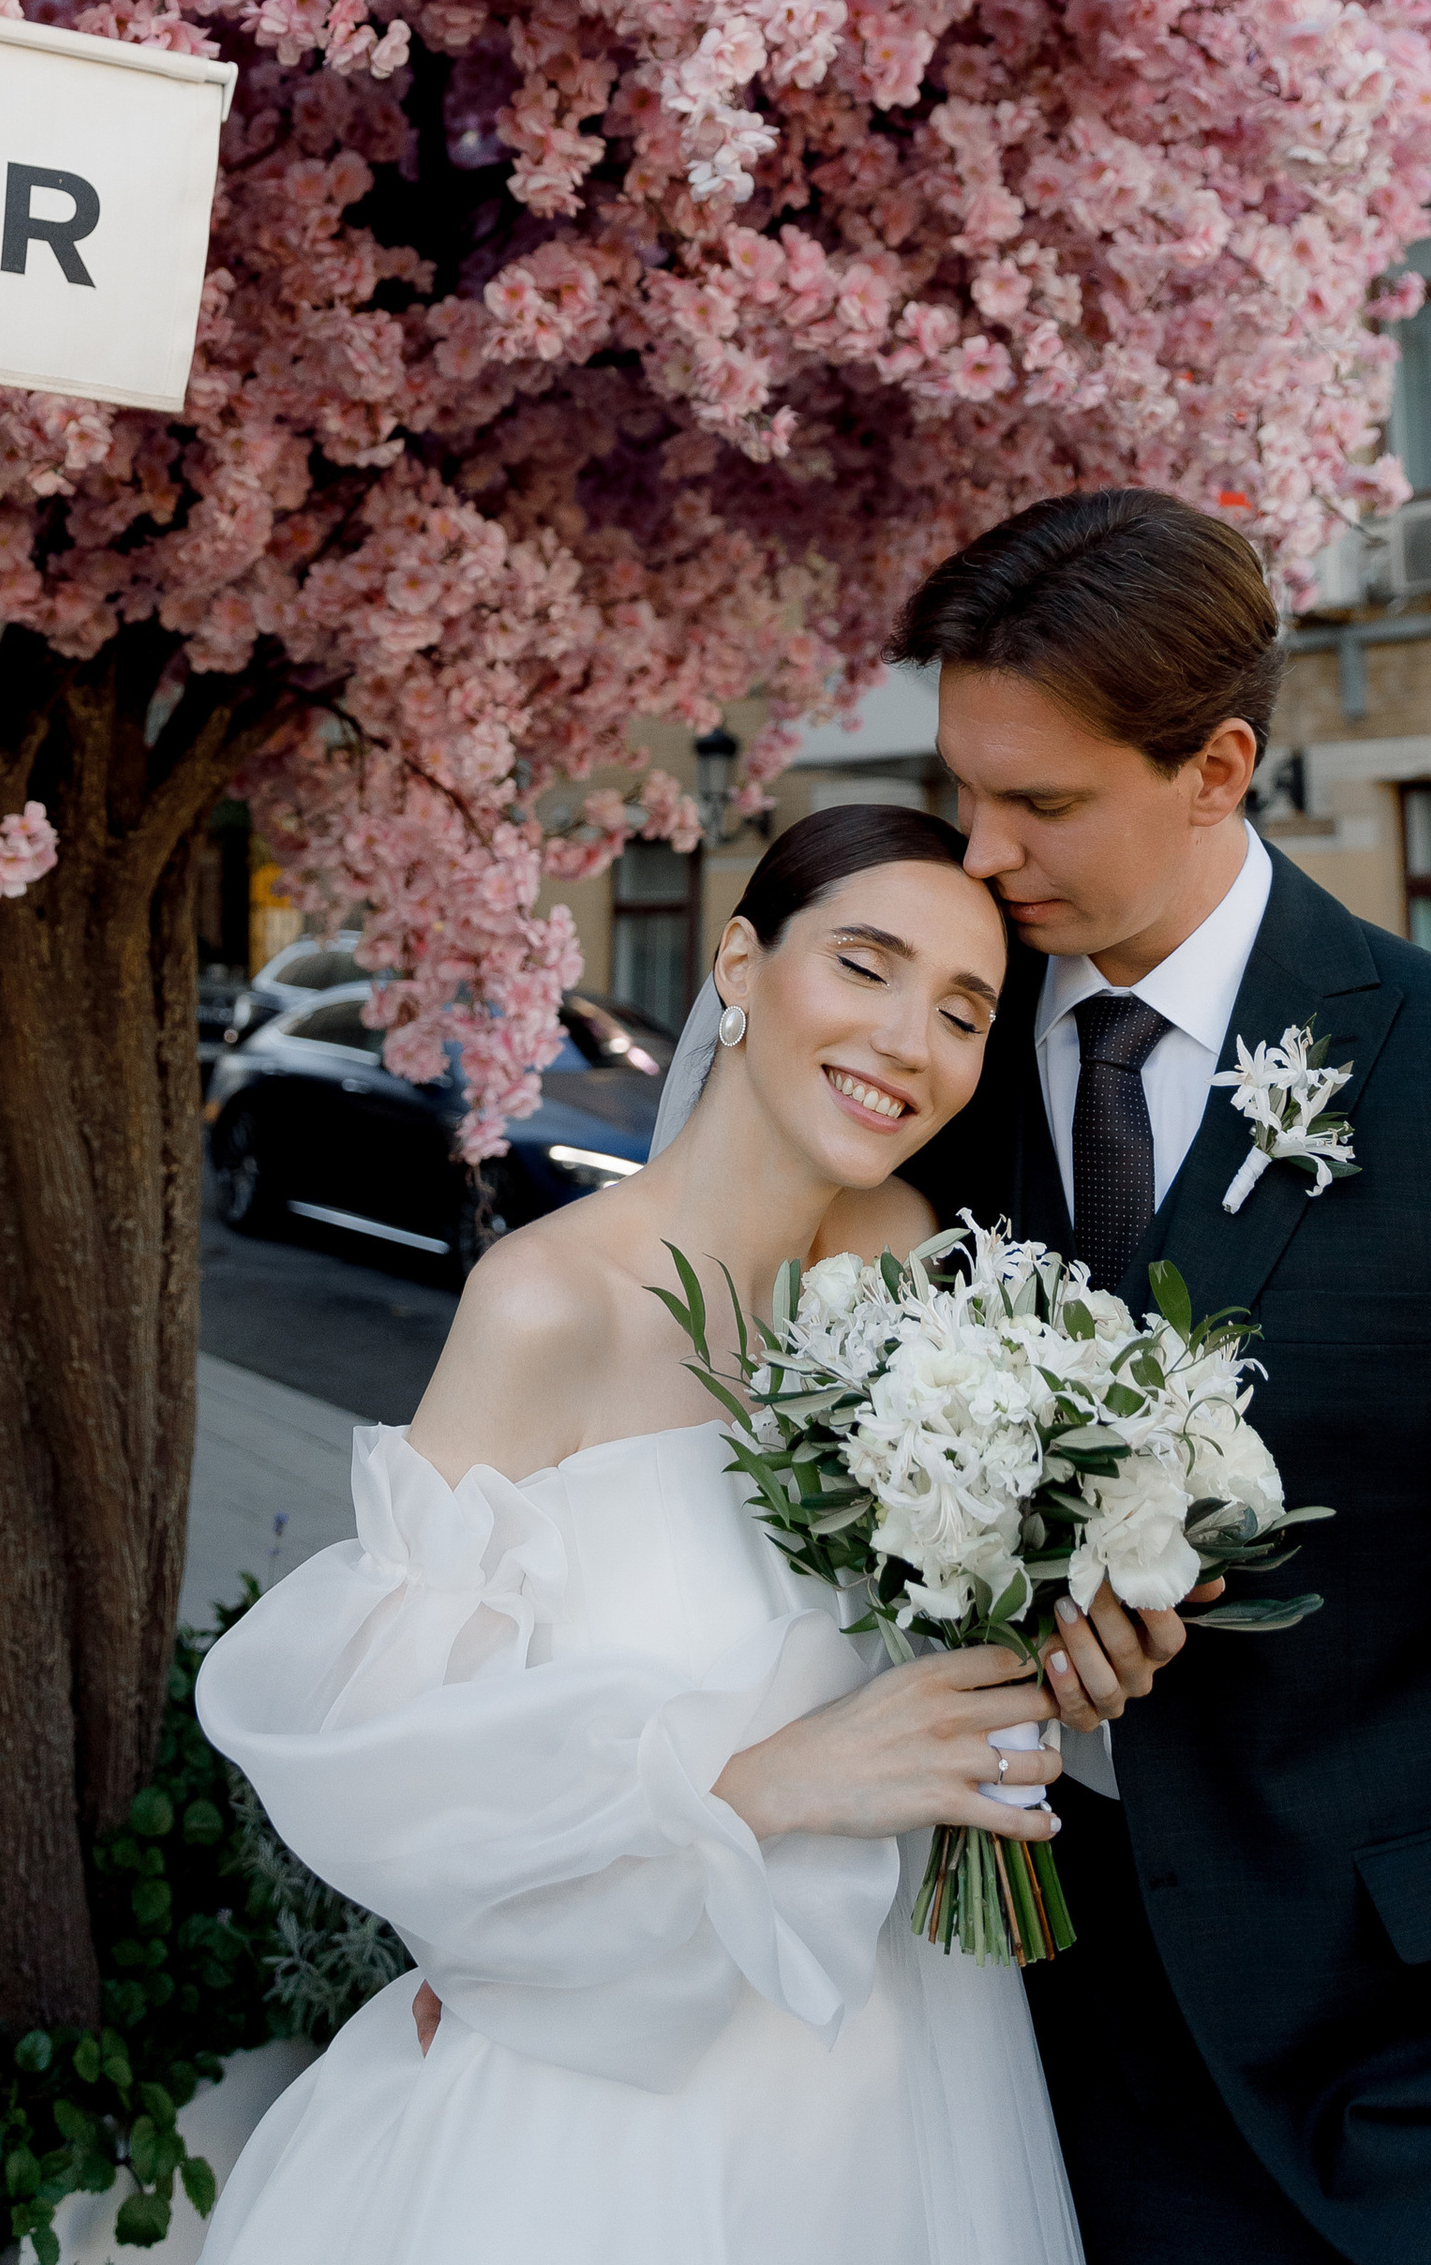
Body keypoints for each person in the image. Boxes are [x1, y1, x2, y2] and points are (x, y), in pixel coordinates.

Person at [874, 486, 1431, 2265]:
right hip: (969, 2048)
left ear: (1217, 765)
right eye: (964, 785)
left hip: (1375, 2094)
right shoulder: (925, 1081)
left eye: (1041, 802)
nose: (978, 853)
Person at [193, 803, 1179, 2265]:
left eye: (964, 1009)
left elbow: (959, 1645)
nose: (910, 1039)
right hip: (617, 2102)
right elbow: (396, 1766)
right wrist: (765, 1781)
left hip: (901, 2071)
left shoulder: (924, 1268)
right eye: (865, 963)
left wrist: (1076, 1651)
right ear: (738, 961)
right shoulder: (547, 1305)